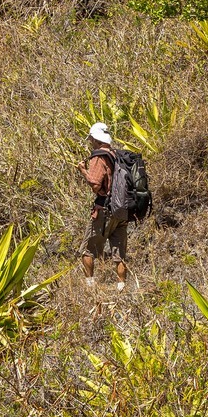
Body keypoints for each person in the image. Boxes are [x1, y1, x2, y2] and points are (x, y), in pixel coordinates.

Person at [79, 121, 128, 291]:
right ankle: (121, 287)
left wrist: (83, 170)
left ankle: (90, 287)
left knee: (87, 250)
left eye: (91, 139)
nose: (91, 142)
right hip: (121, 210)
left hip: (104, 210)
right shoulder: (117, 155)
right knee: (119, 253)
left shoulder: (99, 156)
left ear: (95, 139)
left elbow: (95, 185)